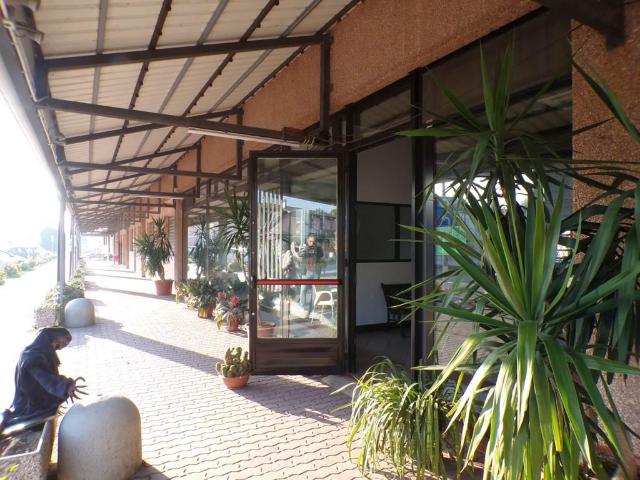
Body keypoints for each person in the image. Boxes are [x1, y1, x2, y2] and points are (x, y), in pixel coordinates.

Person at [0, 327, 87, 433]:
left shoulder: (39, 352)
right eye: (66, 340)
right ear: (56, 336)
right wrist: (66, 386)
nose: (66, 344)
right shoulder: (33, 357)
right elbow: (46, 379)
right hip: (29, 407)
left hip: (35, 400)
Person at [291, 235, 324, 320]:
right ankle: (302, 307)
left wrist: (316, 248)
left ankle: (312, 309)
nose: (311, 243)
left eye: (313, 241)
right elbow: (299, 254)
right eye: (310, 241)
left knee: (314, 291)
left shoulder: (318, 249)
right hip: (306, 272)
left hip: (315, 272)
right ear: (307, 241)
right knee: (303, 290)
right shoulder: (305, 248)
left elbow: (321, 255)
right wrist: (306, 249)